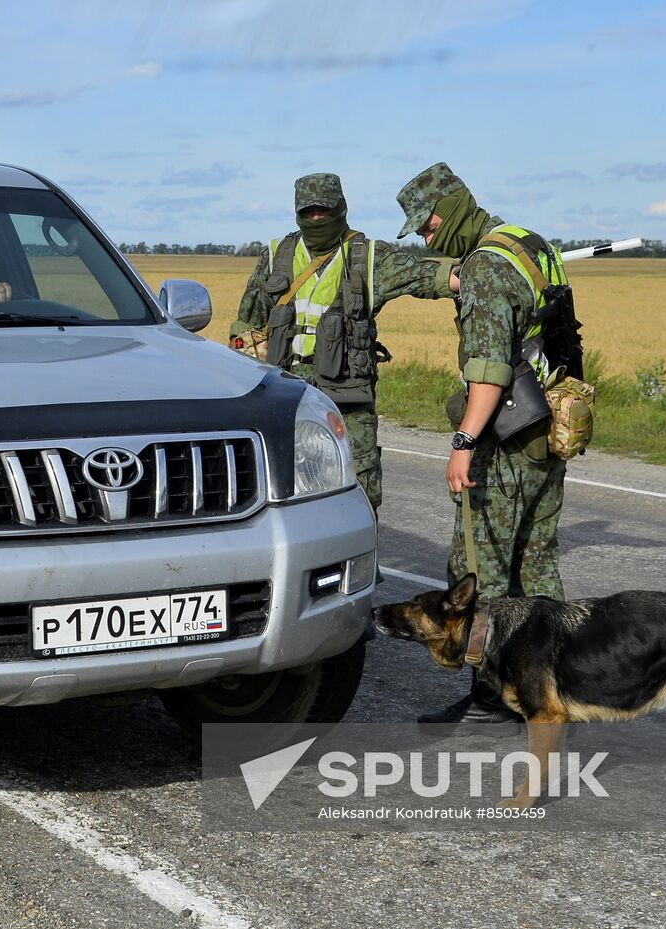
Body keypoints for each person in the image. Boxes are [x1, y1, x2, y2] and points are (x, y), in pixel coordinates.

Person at [394, 162, 567, 730]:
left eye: (426, 226)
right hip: (548, 434)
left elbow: (489, 373)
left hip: (507, 439)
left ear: (449, 210)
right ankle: (549, 691)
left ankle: (493, 698)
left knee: (479, 571)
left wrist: (463, 443)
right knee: (536, 571)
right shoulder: (525, 243)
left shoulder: (487, 269)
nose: (425, 238)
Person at [232, 173, 456, 511]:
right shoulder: (276, 256)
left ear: (342, 209)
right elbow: (244, 329)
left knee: (359, 491)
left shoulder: (367, 258)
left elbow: (427, 276)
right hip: (286, 396)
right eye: (309, 213)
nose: (317, 220)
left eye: (325, 211)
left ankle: (361, 560)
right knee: (284, 490)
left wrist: (477, 272)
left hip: (348, 399)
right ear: (298, 214)